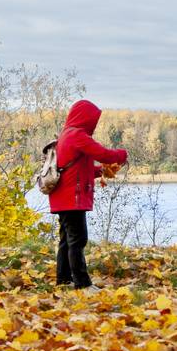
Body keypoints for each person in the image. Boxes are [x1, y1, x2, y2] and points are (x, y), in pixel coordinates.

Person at [48, 99, 127, 289]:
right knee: (78, 239)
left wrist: (102, 171)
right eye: (93, 119)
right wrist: (122, 155)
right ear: (85, 118)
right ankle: (82, 285)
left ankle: (64, 280)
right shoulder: (77, 135)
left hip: (63, 197)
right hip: (70, 198)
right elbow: (104, 153)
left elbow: (79, 169)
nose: (94, 124)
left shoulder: (67, 135)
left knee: (67, 240)